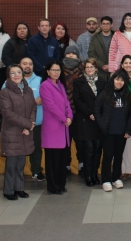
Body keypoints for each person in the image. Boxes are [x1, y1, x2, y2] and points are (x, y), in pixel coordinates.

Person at [0, 64, 36, 200]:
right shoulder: (5, 92)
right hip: (12, 132)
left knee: (21, 162)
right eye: (13, 73)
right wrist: (27, 124)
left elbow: (33, 108)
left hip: (25, 131)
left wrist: (30, 125)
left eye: (18, 72)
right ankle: (9, 190)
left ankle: (19, 188)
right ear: (9, 75)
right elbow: (8, 114)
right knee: (11, 164)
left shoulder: (28, 90)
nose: (16, 75)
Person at [95, 70, 131, 192]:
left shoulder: (126, 94)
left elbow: (129, 114)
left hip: (121, 131)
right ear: (113, 80)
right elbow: (97, 110)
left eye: (122, 80)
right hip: (108, 132)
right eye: (117, 79)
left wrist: (128, 130)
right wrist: (102, 125)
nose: (119, 82)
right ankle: (106, 180)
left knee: (118, 156)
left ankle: (116, 178)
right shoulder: (105, 94)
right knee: (108, 156)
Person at [40, 61, 73, 195]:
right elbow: (50, 106)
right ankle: (53, 186)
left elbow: (67, 104)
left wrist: (70, 116)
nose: (56, 72)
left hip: (63, 127)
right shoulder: (44, 86)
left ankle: (61, 184)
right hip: (52, 127)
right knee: (52, 160)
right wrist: (64, 119)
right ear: (48, 71)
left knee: (61, 160)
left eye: (58, 70)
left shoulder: (60, 85)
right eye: (53, 70)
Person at [73, 58, 106, 187]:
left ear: (96, 68)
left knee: (98, 148)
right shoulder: (78, 82)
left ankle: (94, 174)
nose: (89, 69)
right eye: (87, 67)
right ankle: (87, 175)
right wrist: (89, 113)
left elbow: (105, 100)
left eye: (92, 67)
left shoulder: (102, 82)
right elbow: (77, 100)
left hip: (98, 121)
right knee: (89, 149)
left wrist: (97, 114)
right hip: (85, 120)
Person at [20, 57, 45, 182]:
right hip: (18, 123)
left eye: (30, 64)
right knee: (18, 148)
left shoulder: (40, 81)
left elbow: (45, 99)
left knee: (36, 147)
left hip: (37, 122)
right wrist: (34, 103)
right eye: (24, 64)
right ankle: (18, 172)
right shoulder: (12, 81)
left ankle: (36, 171)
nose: (27, 66)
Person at [60, 45, 84, 176]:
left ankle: (81, 164)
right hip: (63, 110)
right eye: (68, 54)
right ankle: (66, 164)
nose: (70, 56)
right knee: (65, 139)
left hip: (80, 110)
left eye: (73, 54)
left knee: (80, 139)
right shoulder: (59, 69)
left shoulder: (83, 68)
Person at [88, 15, 114, 81]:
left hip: (114, 71)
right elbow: (91, 54)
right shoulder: (95, 37)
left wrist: (111, 65)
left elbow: (120, 53)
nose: (105, 26)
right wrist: (102, 65)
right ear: (100, 25)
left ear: (111, 25)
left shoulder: (116, 36)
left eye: (107, 24)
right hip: (99, 70)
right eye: (103, 24)